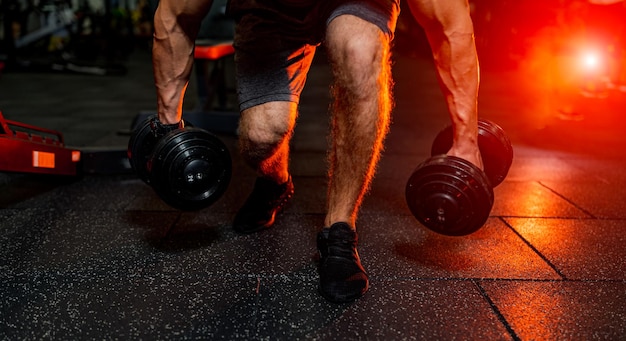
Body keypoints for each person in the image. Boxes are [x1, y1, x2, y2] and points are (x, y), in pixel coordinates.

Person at [150, 0, 483, 303]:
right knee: (261, 136)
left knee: (360, 53)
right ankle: (275, 181)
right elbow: (176, 18)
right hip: (272, 9)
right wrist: (168, 126)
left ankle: (340, 229)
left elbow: (448, 27)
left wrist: (466, 140)